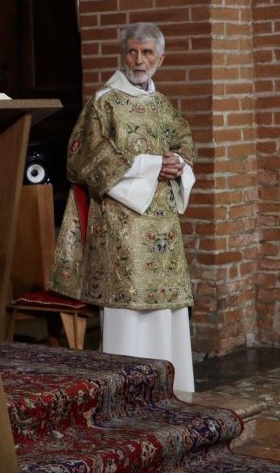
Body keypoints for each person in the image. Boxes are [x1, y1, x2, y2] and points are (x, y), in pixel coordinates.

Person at [49, 22, 196, 392]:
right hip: (121, 222)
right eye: (132, 51)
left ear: (160, 58)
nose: (138, 59)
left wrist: (179, 161)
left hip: (162, 220)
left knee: (166, 309)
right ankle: (127, 390)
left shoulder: (163, 105)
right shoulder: (104, 102)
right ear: (122, 55)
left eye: (147, 52)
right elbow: (83, 159)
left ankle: (171, 387)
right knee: (130, 305)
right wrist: (150, 166)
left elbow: (183, 140)